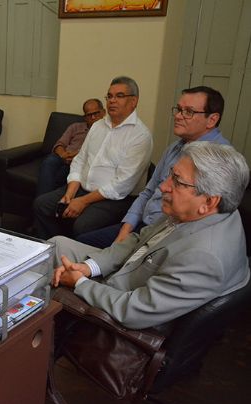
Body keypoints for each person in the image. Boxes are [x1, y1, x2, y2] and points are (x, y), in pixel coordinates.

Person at [51, 142, 250, 329]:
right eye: (171, 174)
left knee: (48, 274)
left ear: (209, 202)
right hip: (131, 269)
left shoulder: (205, 258)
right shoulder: (207, 212)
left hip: (123, 304)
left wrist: (80, 283)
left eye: (177, 181)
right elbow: (139, 240)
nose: (163, 187)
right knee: (55, 246)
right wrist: (90, 267)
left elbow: (133, 310)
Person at [77, 86, 230, 248]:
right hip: (143, 226)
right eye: (179, 109)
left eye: (188, 112)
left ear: (212, 119)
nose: (178, 116)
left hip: (166, 238)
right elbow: (148, 191)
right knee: (80, 243)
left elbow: (196, 223)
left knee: (88, 253)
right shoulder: (175, 147)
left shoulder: (220, 159)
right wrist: (126, 228)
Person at [33, 76, 153, 239]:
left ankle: (69, 253)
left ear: (133, 101)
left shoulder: (140, 136)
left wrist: (83, 201)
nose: (112, 101)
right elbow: (80, 160)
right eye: (109, 96)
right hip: (81, 188)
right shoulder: (97, 126)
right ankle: (51, 247)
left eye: (119, 96)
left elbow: (121, 186)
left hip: (114, 199)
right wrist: (70, 192)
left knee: (82, 225)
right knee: (41, 204)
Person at [36, 98, 105, 197]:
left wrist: (74, 155)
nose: (93, 117)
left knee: (60, 175)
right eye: (89, 115)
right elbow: (60, 144)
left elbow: (94, 153)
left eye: (96, 113)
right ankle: (41, 202)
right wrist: (63, 155)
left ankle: (41, 202)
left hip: (78, 162)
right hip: (63, 156)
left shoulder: (106, 132)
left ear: (103, 112)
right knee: (48, 162)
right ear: (85, 117)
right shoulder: (75, 127)